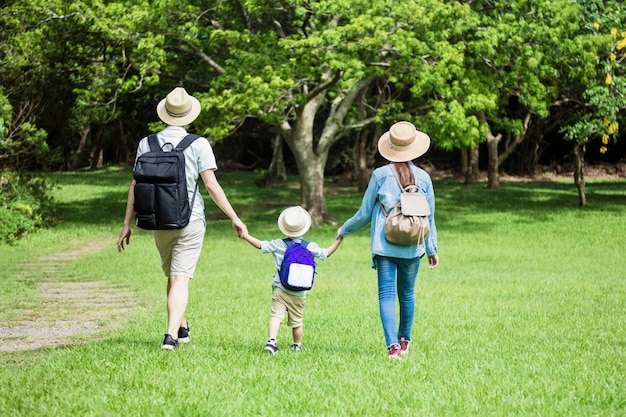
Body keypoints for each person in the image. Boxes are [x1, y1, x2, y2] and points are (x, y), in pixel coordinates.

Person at [117, 87, 247, 350]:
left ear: (165, 114)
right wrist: (234, 217)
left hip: (157, 220)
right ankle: (170, 337)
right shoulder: (198, 144)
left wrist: (127, 224)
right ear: (188, 116)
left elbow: (135, 184)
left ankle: (182, 328)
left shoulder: (147, 143)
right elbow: (211, 185)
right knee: (180, 278)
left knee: (174, 277)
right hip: (190, 220)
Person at [337, 121, 439, 359]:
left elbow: (363, 214)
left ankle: (392, 347)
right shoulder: (423, 178)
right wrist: (431, 248)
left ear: (391, 146)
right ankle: (405, 341)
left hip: (385, 246)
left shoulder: (380, 175)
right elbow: (430, 217)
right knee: (407, 294)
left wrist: (344, 230)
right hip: (414, 246)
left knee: (386, 295)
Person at [241, 206, 342, 354]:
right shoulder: (310, 246)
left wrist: (245, 236)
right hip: (300, 293)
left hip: (280, 288)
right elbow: (326, 253)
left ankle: (272, 341)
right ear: (304, 228)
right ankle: (296, 346)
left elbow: (261, 245)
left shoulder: (278, 244)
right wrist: (339, 239)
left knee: (276, 316)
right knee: (297, 321)